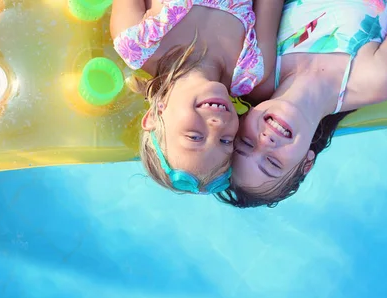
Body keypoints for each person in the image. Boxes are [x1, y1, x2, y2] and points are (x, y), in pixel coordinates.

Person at [219, 0, 387, 207]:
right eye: (273, 163)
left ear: (241, 121)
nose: (265, 142)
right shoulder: (378, 79)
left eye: (246, 142)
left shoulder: (258, 75)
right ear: (306, 163)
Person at [110, 0, 282, 194]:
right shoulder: (252, 69)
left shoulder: (136, 44)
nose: (217, 126)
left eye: (195, 136)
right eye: (225, 141)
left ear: (154, 116)